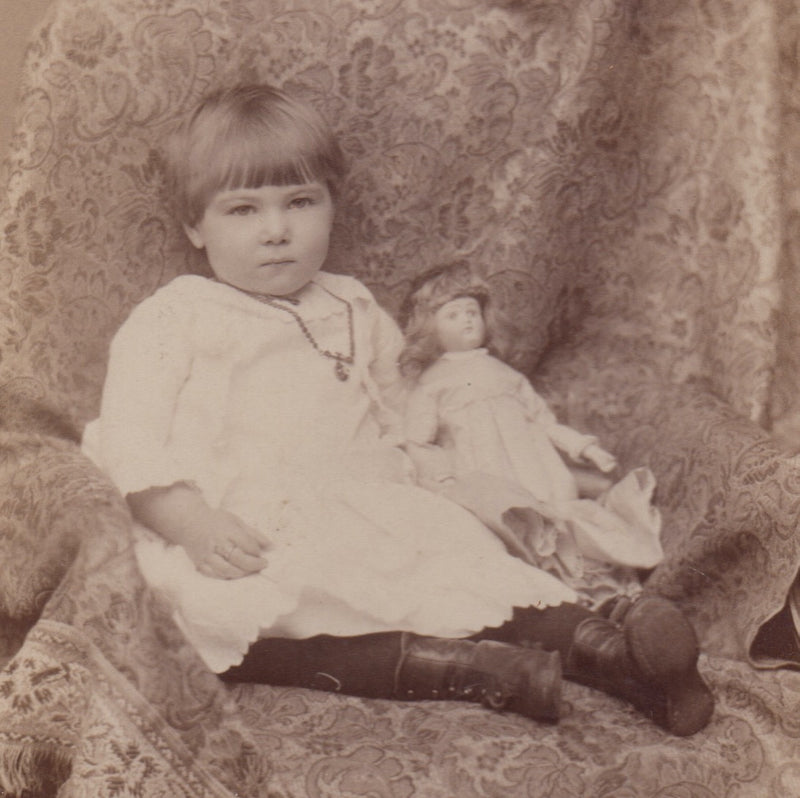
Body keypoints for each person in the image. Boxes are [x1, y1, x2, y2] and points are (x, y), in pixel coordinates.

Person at [82, 83, 713, 736]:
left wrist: (451, 470)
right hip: (244, 530)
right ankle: (472, 669)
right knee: (232, 615)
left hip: (365, 505)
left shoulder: (351, 305)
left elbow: (401, 410)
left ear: (332, 204)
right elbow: (130, 437)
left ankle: (615, 653)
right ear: (195, 225)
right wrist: (192, 524)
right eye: (243, 210)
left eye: (300, 202)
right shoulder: (174, 316)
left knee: (469, 568)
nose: (276, 231)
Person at [398, 263, 665, 607]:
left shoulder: (505, 374)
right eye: (453, 315)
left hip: (536, 467)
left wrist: (585, 449)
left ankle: (600, 596)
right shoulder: (433, 384)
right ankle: (555, 605)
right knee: (517, 531)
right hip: (487, 474)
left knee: (561, 521)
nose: (467, 320)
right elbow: (419, 441)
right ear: (429, 328)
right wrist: (443, 479)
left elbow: (543, 421)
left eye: (472, 312)